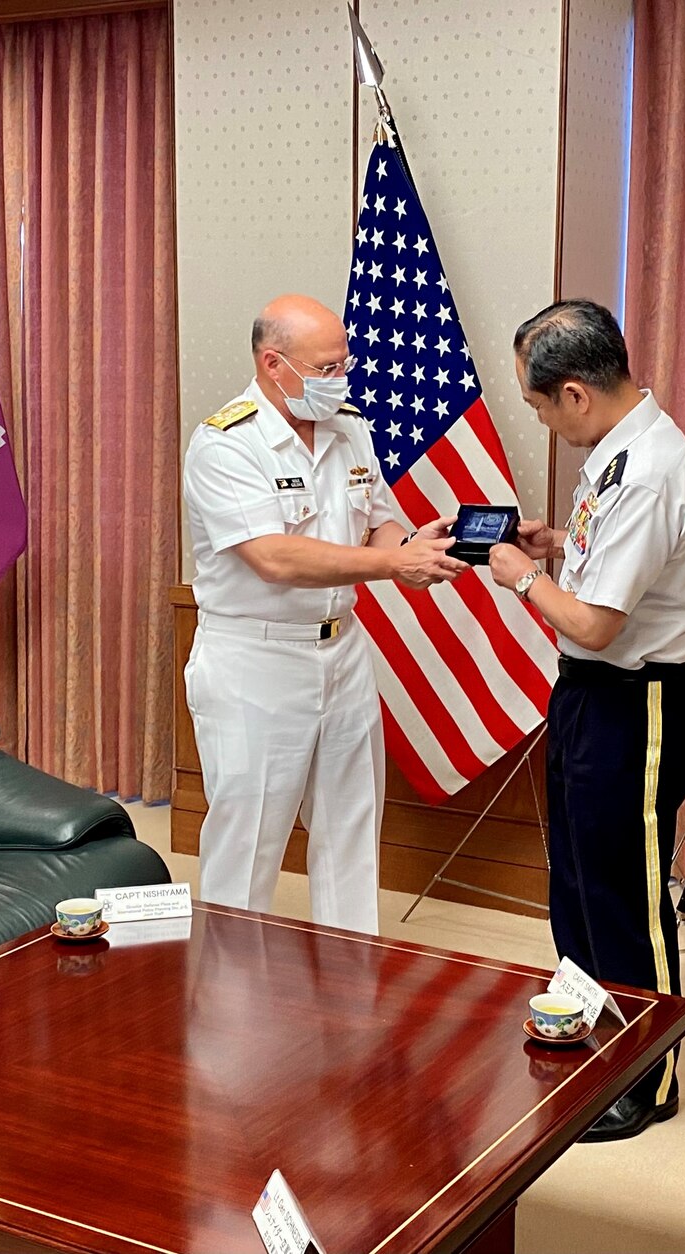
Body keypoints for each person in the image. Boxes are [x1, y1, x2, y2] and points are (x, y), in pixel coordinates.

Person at [489, 299, 685, 1140]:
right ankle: (594, 1034)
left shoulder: (652, 469)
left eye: (541, 406)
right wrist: (560, 549)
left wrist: (520, 576)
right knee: (580, 879)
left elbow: (593, 623)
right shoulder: (618, 453)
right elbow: (606, 576)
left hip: (640, 699)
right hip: (593, 694)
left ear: (577, 393)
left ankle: (646, 1076)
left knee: (626, 892)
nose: (544, 422)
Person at [182, 294, 465, 934]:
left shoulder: (348, 426)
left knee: (351, 828)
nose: (341, 379)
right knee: (250, 837)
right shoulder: (225, 443)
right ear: (273, 363)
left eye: (344, 365)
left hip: (343, 655)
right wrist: (392, 566)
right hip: (256, 660)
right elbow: (274, 557)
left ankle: (348, 989)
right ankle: (231, 1007)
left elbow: (377, 521)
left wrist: (414, 550)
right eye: (326, 368)